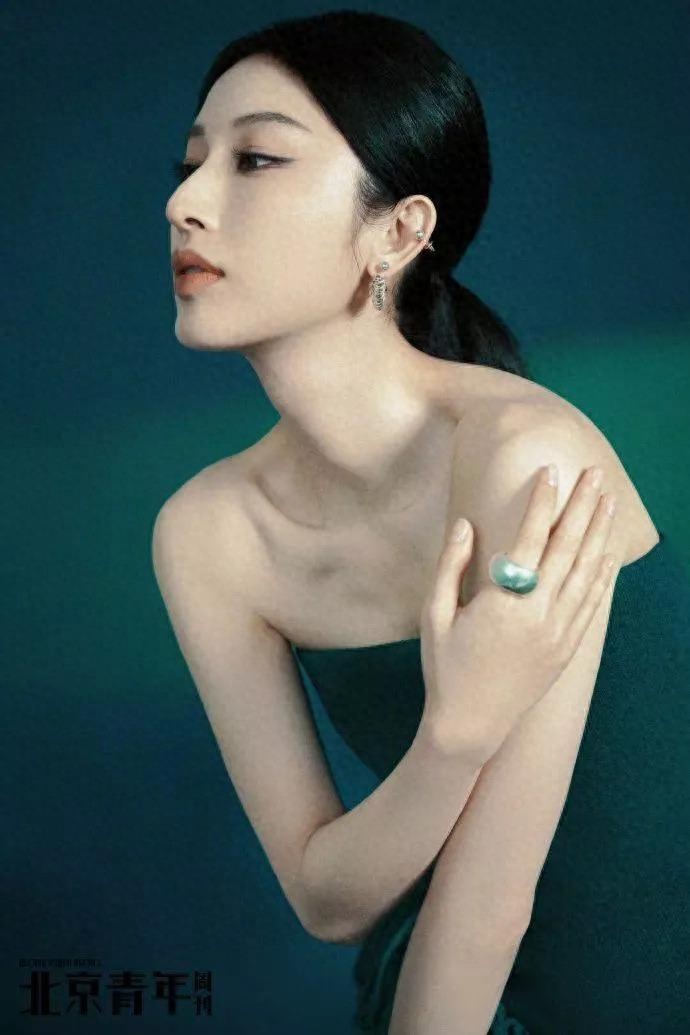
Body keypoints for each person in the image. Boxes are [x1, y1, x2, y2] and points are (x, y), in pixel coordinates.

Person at [154, 11, 689, 1033]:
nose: (185, 202)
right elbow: (328, 899)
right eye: (190, 165)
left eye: (255, 159)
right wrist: (453, 734)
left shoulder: (527, 457)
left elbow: (493, 907)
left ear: (399, 230)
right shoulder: (208, 532)